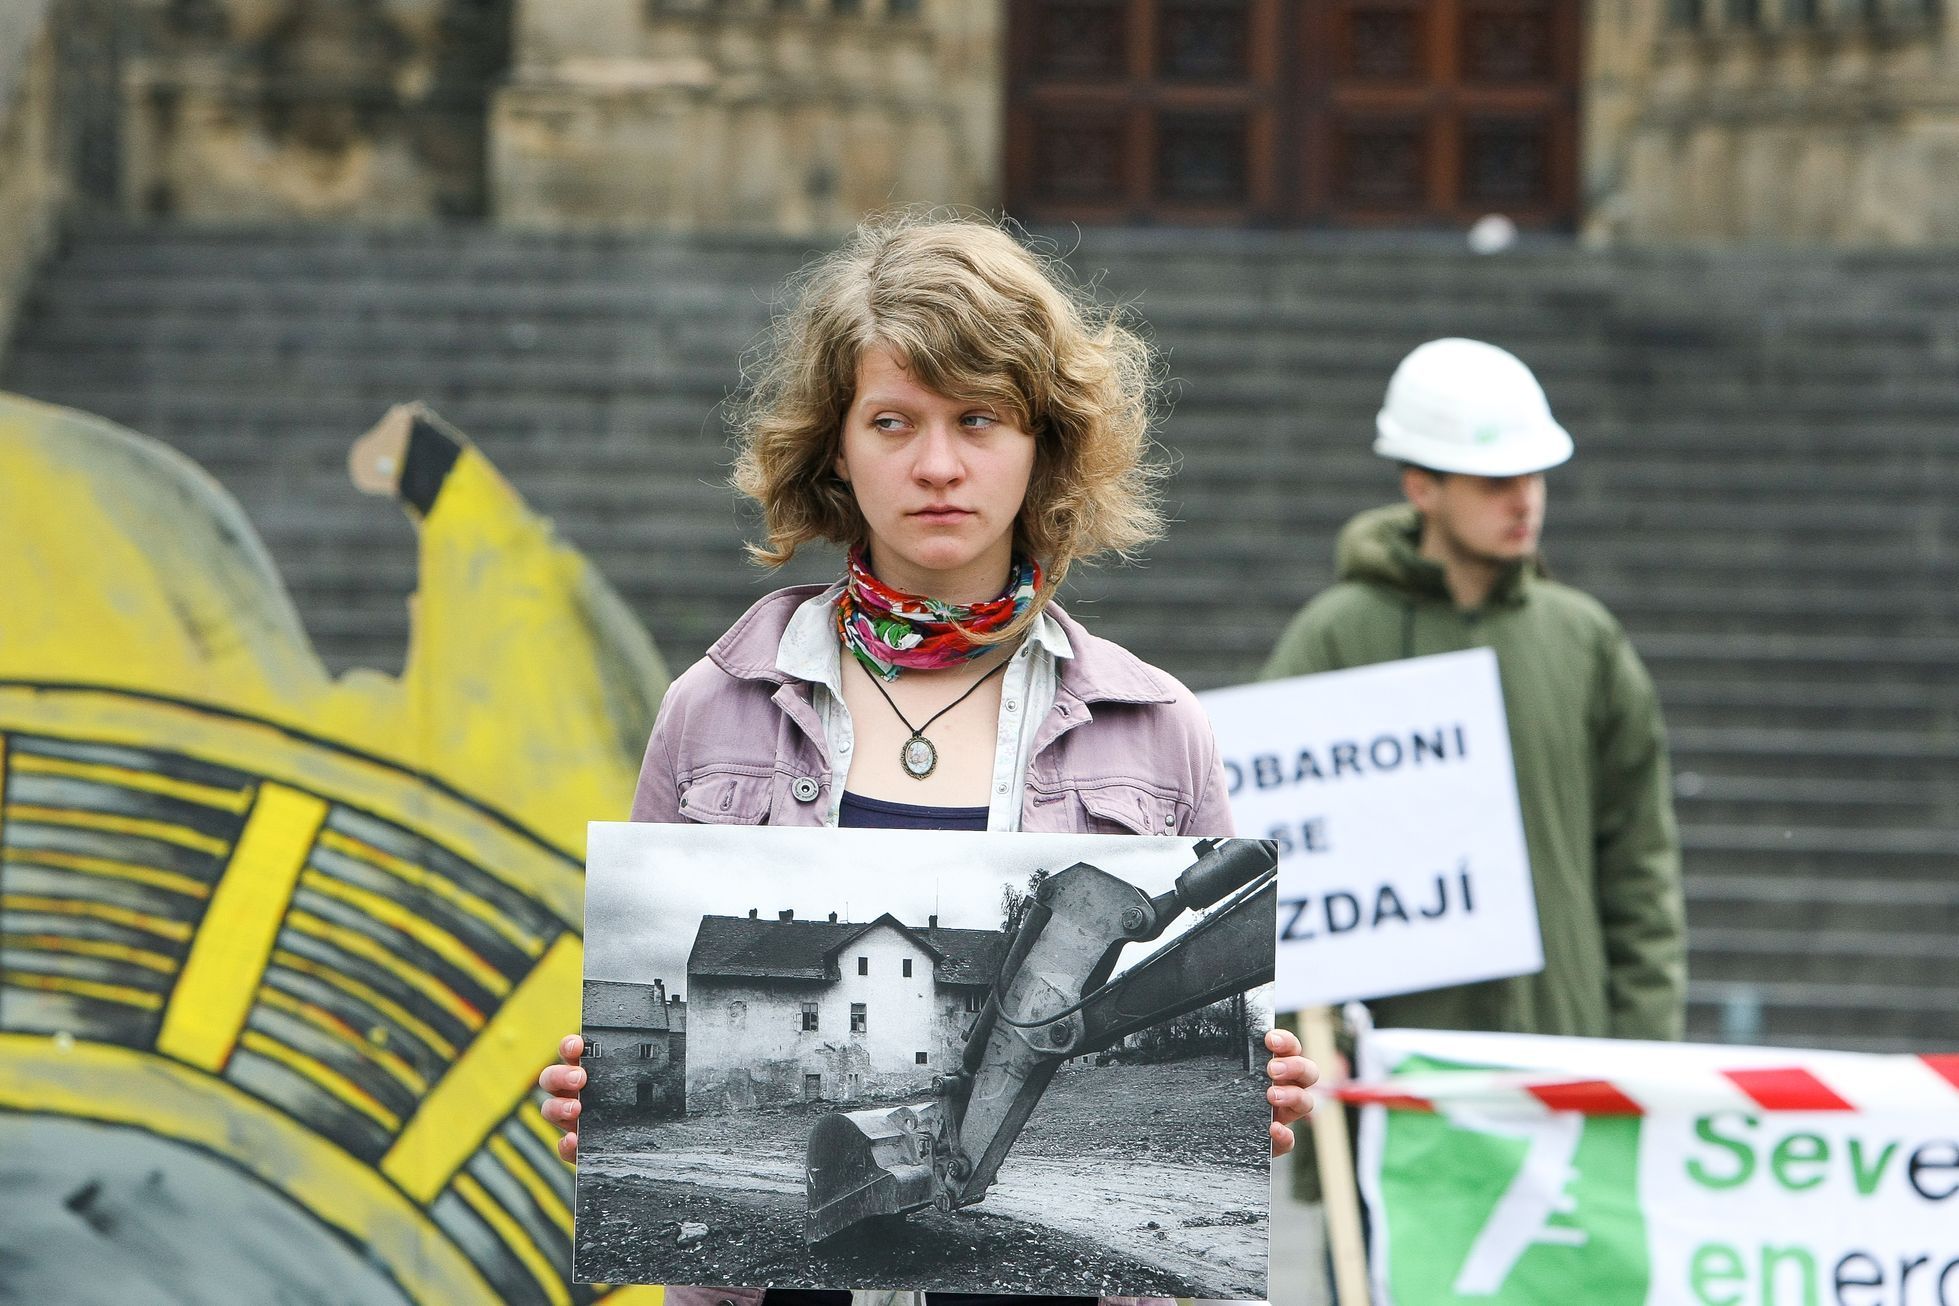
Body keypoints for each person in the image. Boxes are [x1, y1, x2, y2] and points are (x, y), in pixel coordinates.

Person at [537, 214, 1316, 1306]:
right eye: (893, 420)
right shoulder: (714, 710)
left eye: (980, 417)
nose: (938, 464)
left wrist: (1262, 1097)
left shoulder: (1156, 726)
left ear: (1044, 439)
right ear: (837, 448)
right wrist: (585, 1094)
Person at [1261, 337, 1685, 1041]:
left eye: (1533, 477)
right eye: (1494, 481)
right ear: (1420, 486)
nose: (1524, 500)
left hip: (1561, 1055)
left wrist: (1642, 1053)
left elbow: (1639, 866)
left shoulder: (1585, 641)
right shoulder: (1333, 639)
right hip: (1391, 1075)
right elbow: (1282, 857)